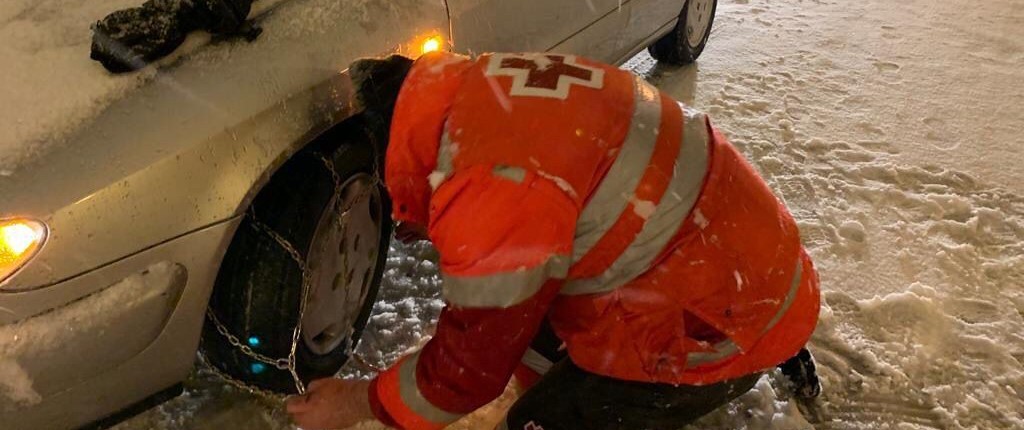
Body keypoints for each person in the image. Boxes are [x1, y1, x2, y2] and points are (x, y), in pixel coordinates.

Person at [286, 51, 822, 430]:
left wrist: (356, 401)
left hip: (728, 321)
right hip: (751, 260)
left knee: (532, 425)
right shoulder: (484, 92)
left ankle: (722, 371)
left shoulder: (485, 181)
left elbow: (467, 371)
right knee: (532, 324)